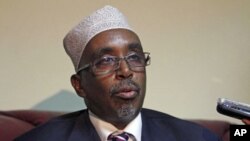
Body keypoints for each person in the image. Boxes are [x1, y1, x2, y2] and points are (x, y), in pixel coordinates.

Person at [15, 5, 221, 141]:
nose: (126, 71)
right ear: (79, 85)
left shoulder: (196, 137)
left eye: (134, 57)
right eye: (107, 60)